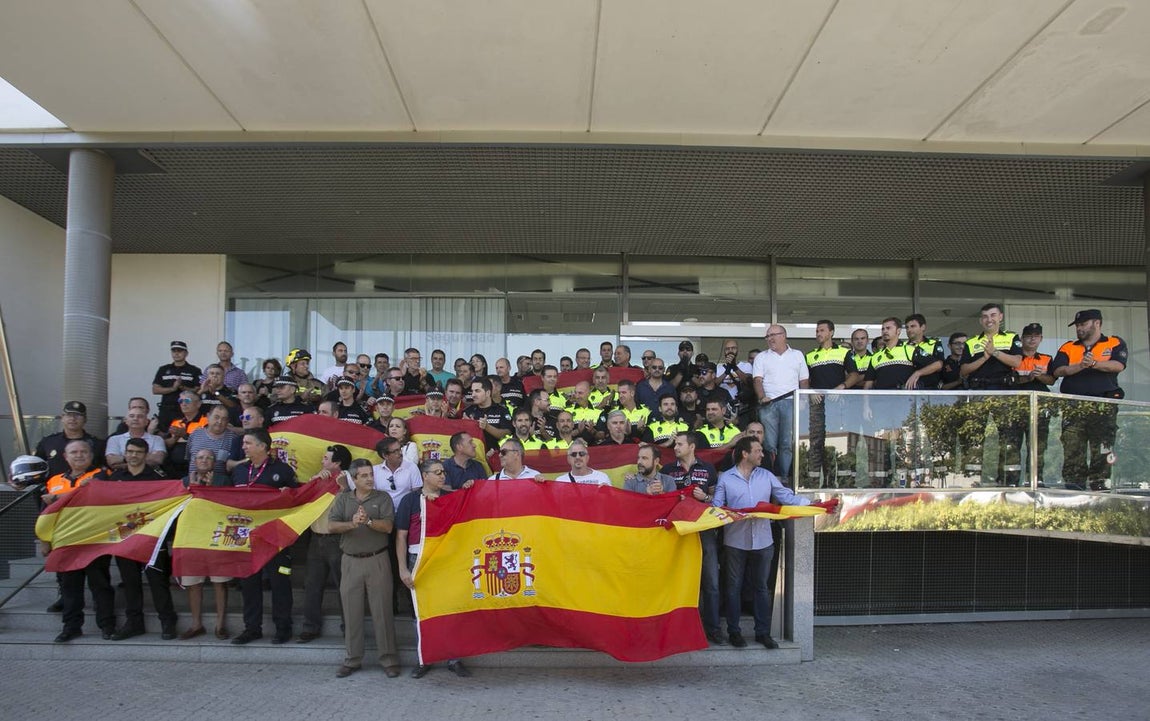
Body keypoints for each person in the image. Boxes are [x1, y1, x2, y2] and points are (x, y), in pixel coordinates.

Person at [713, 436, 814, 649]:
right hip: (735, 541)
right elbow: (717, 508)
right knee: (733, 588)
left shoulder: (767, 476)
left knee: (761, 588)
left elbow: (786, 496)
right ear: (745, 454)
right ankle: (734, 632)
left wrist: (812, 504)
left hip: (763, 540)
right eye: (758, 450)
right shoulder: (726, 479)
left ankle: (763, 633)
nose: (762, 454)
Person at [400, 460, 471, 679]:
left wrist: (469, 488)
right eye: (437, 472)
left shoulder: (450, 499)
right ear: (424, 475)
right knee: (421, 612)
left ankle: (454, 658)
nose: (442, 476)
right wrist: (403, 568)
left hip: (445, 560)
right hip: (417, 559)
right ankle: (425, 658)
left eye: (444, 472)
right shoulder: (410, 500)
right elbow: (401, 536)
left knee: (450, 608)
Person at [329, 458, 400, 678]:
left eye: (371, 474)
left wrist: (368, 521)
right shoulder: (343, 499)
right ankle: (352, 659)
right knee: (351, 611)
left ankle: (389, 659)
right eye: (364, 475)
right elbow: (331, 526)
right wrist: (352, 523)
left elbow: (388, 527)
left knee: (382, 611)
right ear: (354, 478)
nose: (370, 478)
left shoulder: (383, 497)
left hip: (377, 559)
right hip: (350, 561)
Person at [230, 428, 299, 645]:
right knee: (249, 585)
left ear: (262, 446)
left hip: (276, 538)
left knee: (280, 582)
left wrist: (287, 495)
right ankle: (252, 628)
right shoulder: (240, 471)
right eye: (244, 443)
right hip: (248, 538)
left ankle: (283, 628)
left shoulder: (283, 470)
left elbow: (296, 501)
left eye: (248, 443)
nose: (244, 447)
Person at [42, 441, 114, 643]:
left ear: (91, 455)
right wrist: (44, 540)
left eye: (84, 452)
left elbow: (90, 495)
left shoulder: (101, 474)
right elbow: (45, 513)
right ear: (65, 456)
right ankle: (71, 627)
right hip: (65, 542)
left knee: (100, 586)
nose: (79, 455)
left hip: (94, 541)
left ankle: (107, 626)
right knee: (70, 588)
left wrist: (56, 497)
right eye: (74, 452)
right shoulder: (54, 480)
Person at [106, 438, 178, 641]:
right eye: (130, 451)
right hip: (125, 539)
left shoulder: (157, 478)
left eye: (138, 452)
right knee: (130, 583)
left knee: (158, 582)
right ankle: (134, 623)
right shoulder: (116, 478)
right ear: (125, 453)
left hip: (152, 539)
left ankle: (167, 622)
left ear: (146, 455)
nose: (133, 455)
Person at [1050, 309, 1128, 489]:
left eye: (1083, 324)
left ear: (1097, 323)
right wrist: (1081, 365)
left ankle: (1100, 486)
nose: (1079, 328)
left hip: (1103, 405)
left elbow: (1118, 365)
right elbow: (1058, 370)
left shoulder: (1114, 342)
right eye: (1077, 325)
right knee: (1072, 448)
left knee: (1102, 448)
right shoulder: (1068, 346)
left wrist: (1094, 364)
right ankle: (1073, 487)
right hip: (1074, 405)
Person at [660, 431, 721, 644]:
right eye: (675, 444)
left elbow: (717, 500)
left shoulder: (708, 469)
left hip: (704, 531)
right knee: (678, 582)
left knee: (711, 582)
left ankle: (713, 630)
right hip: (678, 532)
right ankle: (677, 631)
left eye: (679, 444)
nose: (675, 448)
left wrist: (705, 497)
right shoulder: (667, 470)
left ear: (691, 446)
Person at [298, 445, 351, 644]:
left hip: (337, 540)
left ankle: (349, 628)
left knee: (344, 586)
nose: (322, 461)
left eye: (326, 458)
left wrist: (344, 487)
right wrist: (313, 483)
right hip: (316, 539)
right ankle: (310, 627)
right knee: (312, 585)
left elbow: (352, 506)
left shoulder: (347, 480)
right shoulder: (319, 479)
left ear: (337, 463)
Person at [178, 450, 231, 640]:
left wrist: (209, 489)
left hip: (215, 536)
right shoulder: (185, 481)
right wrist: (193, 488)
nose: (204, 460)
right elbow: (178, 506)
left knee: (220, 582)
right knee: (193, 583)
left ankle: (220, 625)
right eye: (200, 457)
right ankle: (196, 624)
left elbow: (229, 506)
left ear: (214, 462)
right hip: (191, 536)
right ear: (194, 461)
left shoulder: (223, 481)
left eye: (208, 457)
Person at [752, 325, 808, 480]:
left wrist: (802, 401)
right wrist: (762, 397)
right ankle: (769, 477)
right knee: (769, 444)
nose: (770, 338)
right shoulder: (761, 357)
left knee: (786, 444)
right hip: (769, 404)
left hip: (791, 402)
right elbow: (757, 380)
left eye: (773, 335)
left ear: (784, 335)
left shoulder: (797, 355)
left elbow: (804, 380)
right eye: (767, 336)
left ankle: (783, 478)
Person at [960, 303, 1022, 390]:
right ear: (980, 320)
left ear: (1000, 317)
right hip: (979, 391)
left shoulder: (1012, 337)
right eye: (985, 317)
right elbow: (963, 371)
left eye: (993, 315)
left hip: (1005, 390)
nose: (989, 320)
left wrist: (994, 352)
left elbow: (1017, 362)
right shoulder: (971, 342)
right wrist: (984, 358)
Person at [35, 400, 105, 477]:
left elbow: (106, 471)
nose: (73, 418)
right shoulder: (48, 442)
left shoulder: (97, 444)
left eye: (78, 415)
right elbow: (35, 468)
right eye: (68, 415)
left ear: (85, 419)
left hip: (87, 487)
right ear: (62, 418)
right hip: (55, 487)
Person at [152, 340, 203, 430]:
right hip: (166, 409)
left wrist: (182, 387)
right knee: (164, 434)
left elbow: (198, 390)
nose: (176, 354)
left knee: (184, 434)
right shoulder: (164, 369)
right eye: (174, 351)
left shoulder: (194, 370)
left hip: (185, 409)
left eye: (179, 351)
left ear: (186, 353)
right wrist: (173, 388)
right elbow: (155, 389)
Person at [105, 406, 167, 471]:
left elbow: (158, 459)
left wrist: (125, 460)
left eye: (140, 416)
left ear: (146, 421)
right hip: (122, 476)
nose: (135, 419)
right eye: (132, 416)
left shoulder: (157, 439)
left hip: (149, 476)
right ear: (126, 421)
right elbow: (112, 461)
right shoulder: (114, 439)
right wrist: (143, 458)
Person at [163, 390, 207, 477]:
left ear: (198, 404)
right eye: (180, 401)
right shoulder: (176, 422)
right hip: (174, 468)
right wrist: (175, 438)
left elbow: (206, 442)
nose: (183, 404)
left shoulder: (206, 421)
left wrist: (185, 435)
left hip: (195, 465)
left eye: (187, 401)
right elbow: (166, 443)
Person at [464, 377, 512, 450]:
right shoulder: (468, 412)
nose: (473, 395)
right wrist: (469, 425)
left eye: (477, 391)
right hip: (474, 456)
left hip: (496, 455)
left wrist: (487, 427)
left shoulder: (502, 410)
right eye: (472, 391)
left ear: (488, 393)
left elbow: (507, 434)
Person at [903, 314, 944, 390]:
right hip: (909, 389)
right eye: (907, 327)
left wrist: (918, 373)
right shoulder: (903, 346)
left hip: (931, 389)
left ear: (923, 327)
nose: (909, 330)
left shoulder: (933, 343)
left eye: (913, 326)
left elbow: (939, 365)